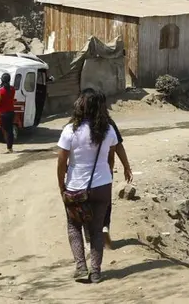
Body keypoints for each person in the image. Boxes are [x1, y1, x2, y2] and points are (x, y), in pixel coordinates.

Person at [57, 90, 118, 283]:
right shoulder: (109, 130)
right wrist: (103, 177)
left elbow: (61, 164)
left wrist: (62, 187)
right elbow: (110, 159)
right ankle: (96, 272)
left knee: (74, 226)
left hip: (75, 187)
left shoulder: (70, 130)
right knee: (97, 229)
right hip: (102, 187)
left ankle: (81, 268)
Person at [103, 114, 133, 250]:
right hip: (105, 172)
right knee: (105, 202)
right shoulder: (108, 123)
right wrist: (126, 167)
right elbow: (118, 145)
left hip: (82, 175)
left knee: (86, 205)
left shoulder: (77, 125)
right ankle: (104, 227)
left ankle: (91, 237)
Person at [0, 73, 15, 153]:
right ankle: (10, 147)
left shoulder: (1, 90)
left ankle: (9, 148)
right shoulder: (12, 89)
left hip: (3, 113)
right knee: (10, 130)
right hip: (11, 112)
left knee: (6, 130)